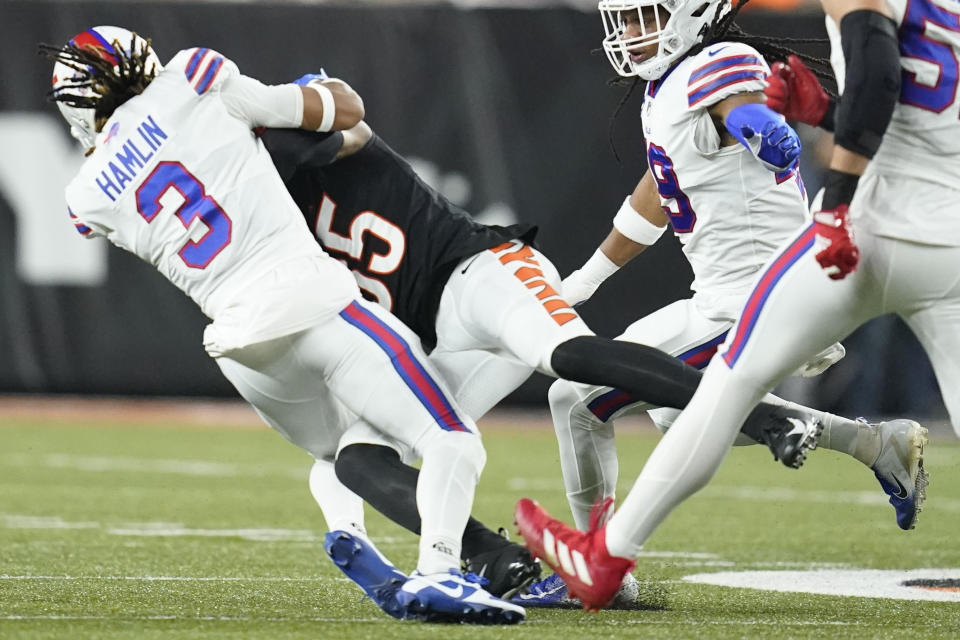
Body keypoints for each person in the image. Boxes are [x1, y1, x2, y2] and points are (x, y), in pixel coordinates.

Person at [259, 68, 847, 605]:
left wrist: (257, 138)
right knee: (357, 457)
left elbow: (343, 121)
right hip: (438, 333)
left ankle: (769, 420)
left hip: (482, 270)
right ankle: (496, 558)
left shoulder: (305, 142)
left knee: (566, 358)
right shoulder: (269, 218)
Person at [43, 26, 523, 624]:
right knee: (449, 438)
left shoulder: (84, 196)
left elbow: (122, 176)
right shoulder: (193, 77)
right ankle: (440, 573)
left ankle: (348, 531)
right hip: (317, 306)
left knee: (341, 449)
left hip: (242, 348)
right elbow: (334, 114)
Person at [515, 0, 940, 610]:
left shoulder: (717, 63)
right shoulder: (669, 88)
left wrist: (762, 130)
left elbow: (755, 122)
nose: (633, 33)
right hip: (721, 298)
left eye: (646, 17)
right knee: (670, 414)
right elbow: (659, 195)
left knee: (575, 399)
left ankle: (598, 561)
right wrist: (582, 282)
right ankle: (874, 445)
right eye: (626, 20)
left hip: (755, 301)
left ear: (691, 13)